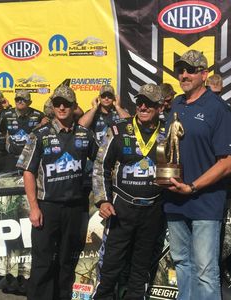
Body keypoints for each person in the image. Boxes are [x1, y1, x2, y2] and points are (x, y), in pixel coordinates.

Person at [163, 50, 231, 300]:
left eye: (191, 70)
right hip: (174, 200)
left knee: (205, 270)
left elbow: (227, 163)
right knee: (182, 264)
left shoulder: (218, 108)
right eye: (181, 70)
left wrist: (193, 187)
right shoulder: (175, 105)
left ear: (204, 74)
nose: (184, 74)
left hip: (204, 201)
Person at [17, 85, 97, 300]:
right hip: (47, 207)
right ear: (52, 106)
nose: (62, 107)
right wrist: (34, 207)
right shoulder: (39, 135)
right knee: (43, 262)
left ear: (74, 107)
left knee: (66, 262)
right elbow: (28, 172)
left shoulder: (85, 135)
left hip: (75, 209)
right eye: (58, 103)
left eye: (67, 104)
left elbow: (102, 163)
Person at [92, 83, 166, 299]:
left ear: (159, 107)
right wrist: (103, 201)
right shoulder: (118, 130)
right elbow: (100, 166)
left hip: (153, 209)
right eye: (140, 102)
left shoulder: (168, 132)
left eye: (149, 103)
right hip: (121, 208)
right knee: (110, 266)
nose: (143, 107)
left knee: (141, 269)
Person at [0, 90, 45, 172]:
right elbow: (2, 132)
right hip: (12, 157)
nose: (20, 101)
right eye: (17, 99)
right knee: (9, 181)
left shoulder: (38, 115)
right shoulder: (6, 115)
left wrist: (40, 125)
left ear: (30, 102)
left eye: (23, 99)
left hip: (30, 157)